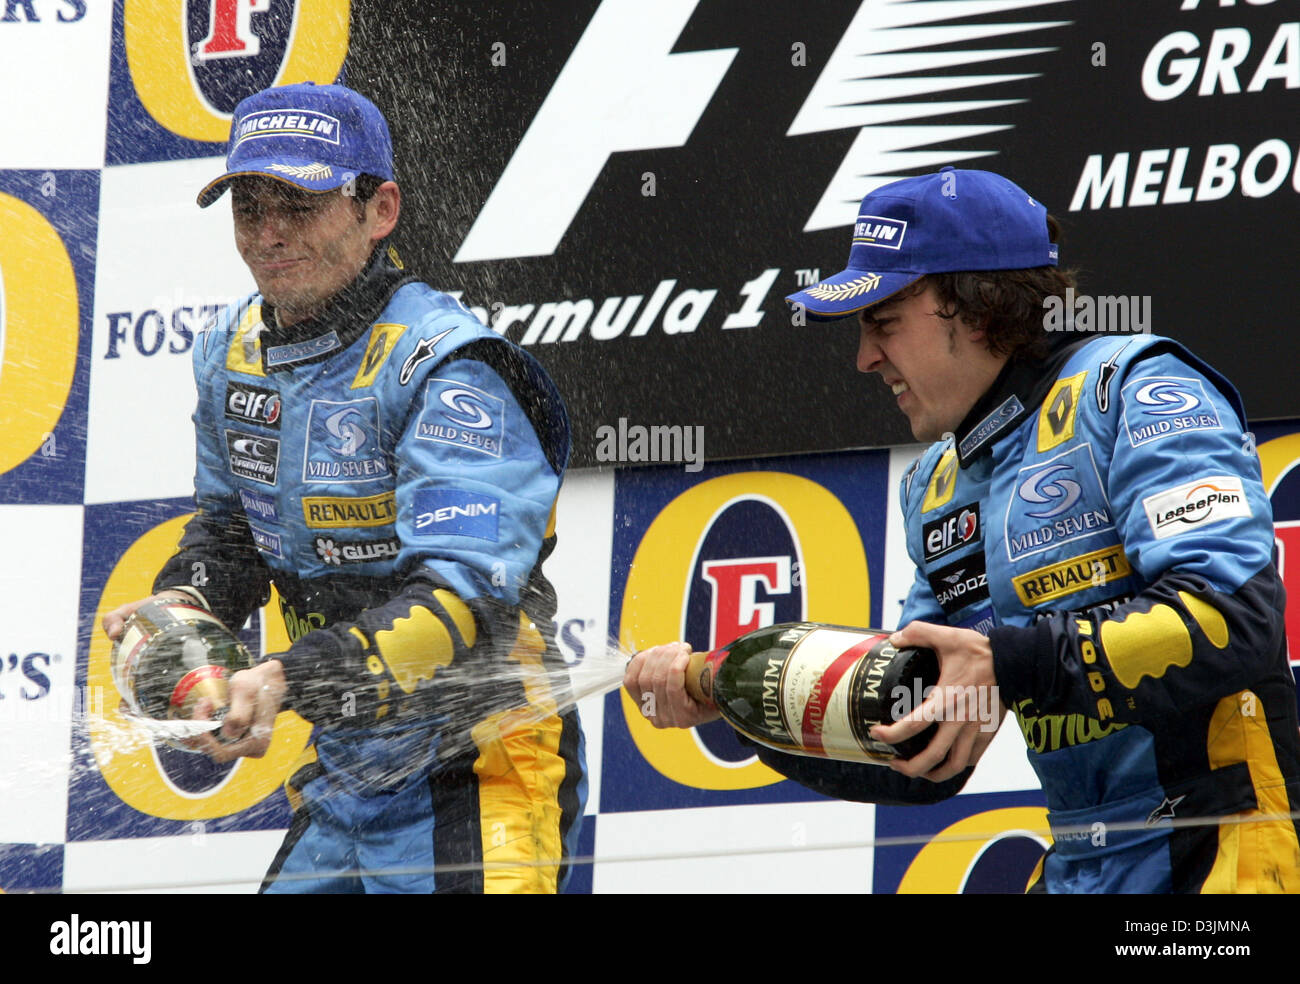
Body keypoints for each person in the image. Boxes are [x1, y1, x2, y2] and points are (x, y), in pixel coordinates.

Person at [625, 167, 1300, 893]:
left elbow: (1236, 618)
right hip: (1083, 865)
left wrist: (1009, 661)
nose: (864, 358)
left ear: (977, 307)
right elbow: (921, 750)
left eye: (883, 322)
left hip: (1231, 848)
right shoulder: (938, 487)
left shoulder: (1134, 389)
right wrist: (730, 698)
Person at [102, 82, 586, 894]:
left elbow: (462, 603)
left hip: (480, 764)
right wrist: (181, 610)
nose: (270, 232)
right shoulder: (230, 351)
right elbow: (226, 536)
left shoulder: (448, 365)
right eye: (249, 206)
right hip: (345, 770)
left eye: (301, 202)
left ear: (380, 208)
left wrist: (285, 678)